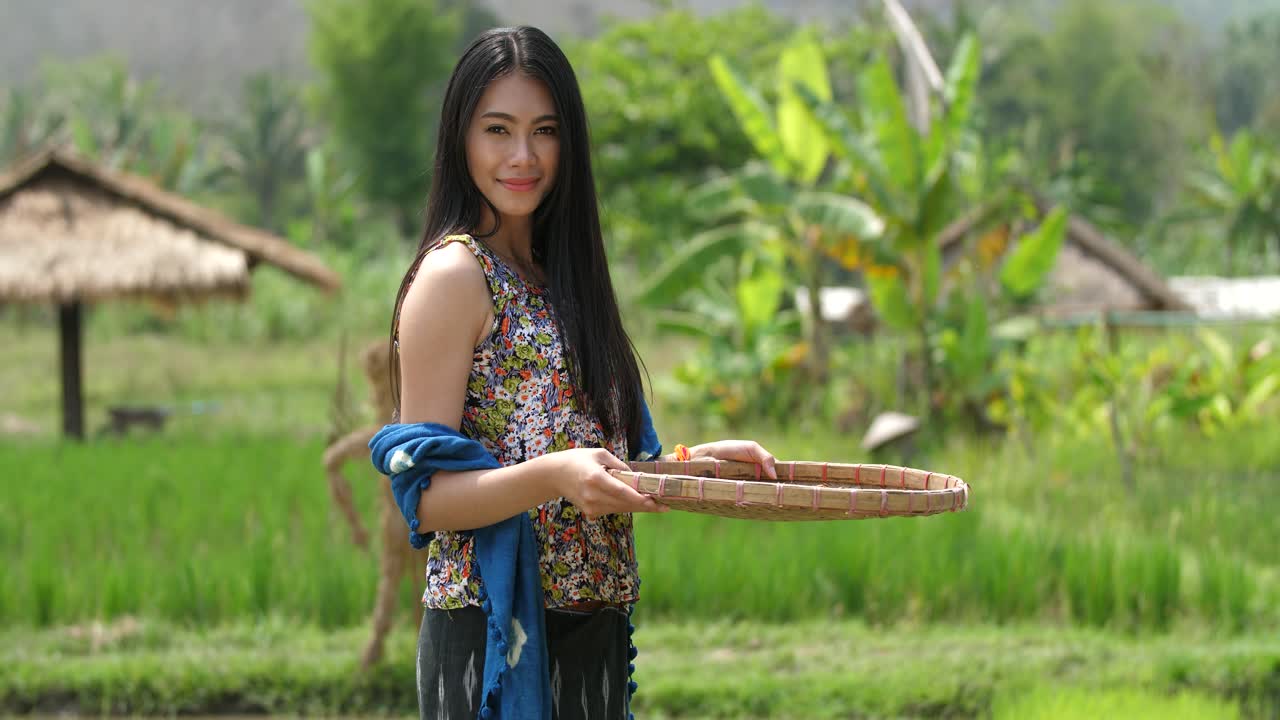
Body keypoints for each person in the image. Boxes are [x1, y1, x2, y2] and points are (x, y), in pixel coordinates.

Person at [387, 26, 778, 719]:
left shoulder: (564, 278)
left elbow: (594, 457)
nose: (523, 156)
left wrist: (692, 466)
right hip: (493, 638)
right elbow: (429, 499)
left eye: (545, 131)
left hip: (591, 627)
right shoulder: (455, 276)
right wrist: (554, 476)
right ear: (460, 139)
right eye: (498, 130)